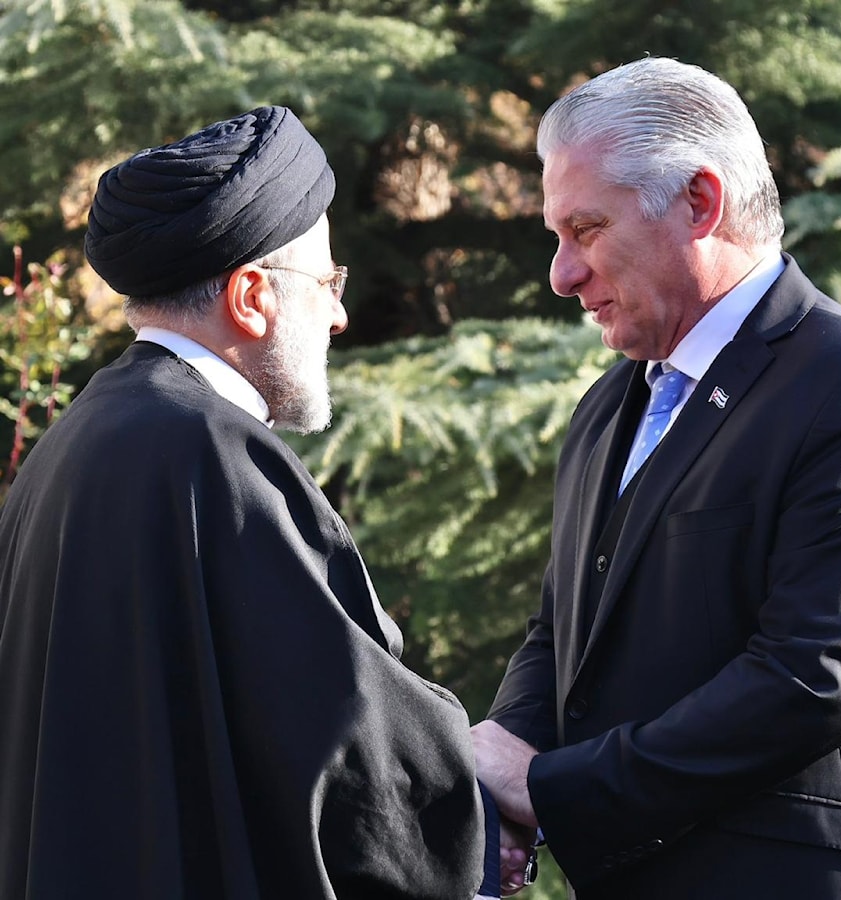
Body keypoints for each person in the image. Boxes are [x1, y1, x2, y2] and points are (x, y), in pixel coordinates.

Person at [471, 57, 841, 899]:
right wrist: (491, 780)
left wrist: (545, 790)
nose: (561, 275)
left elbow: (811, 678)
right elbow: (562, 634)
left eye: (587, 229)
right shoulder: (609, 407)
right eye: (556, 237)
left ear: (700, 203)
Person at [0, 106, 499, 899]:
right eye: (328, 282)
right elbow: (354, 748)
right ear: (251, 296)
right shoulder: (212, 452)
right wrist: (489, 792)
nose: (339, 313)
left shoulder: (76, 440)